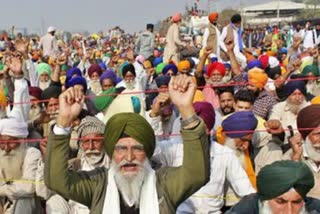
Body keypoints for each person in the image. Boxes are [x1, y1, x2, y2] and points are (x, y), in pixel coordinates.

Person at [45, 74, 210, 213]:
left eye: (137, 149)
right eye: (121, 149)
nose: (129, 157)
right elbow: (56, 180)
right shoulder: (98, 185)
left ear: (147, 151)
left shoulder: (164, 184)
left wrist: (185, 108)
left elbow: (197, 174)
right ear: (111, 152)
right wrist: (63, 122)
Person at [226, 160, 320, 214]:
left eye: (296, 202)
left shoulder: (314, 208)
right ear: (264, 200)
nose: (289, 211)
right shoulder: (244, 210)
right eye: (280, 202)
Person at [0, 118, 42, 214]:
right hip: (4, 206)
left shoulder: (32, 153)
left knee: (23, 197)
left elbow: (28, 186)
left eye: (11, 142)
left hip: (27, 207)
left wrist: (3, 189)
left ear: (22, 140)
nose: (6, 148)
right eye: (2, 143)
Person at [283, 104, 320, 198]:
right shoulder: (289, 158)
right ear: (304, 136)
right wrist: (296, 158)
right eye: (318, 134)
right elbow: (285, 192)